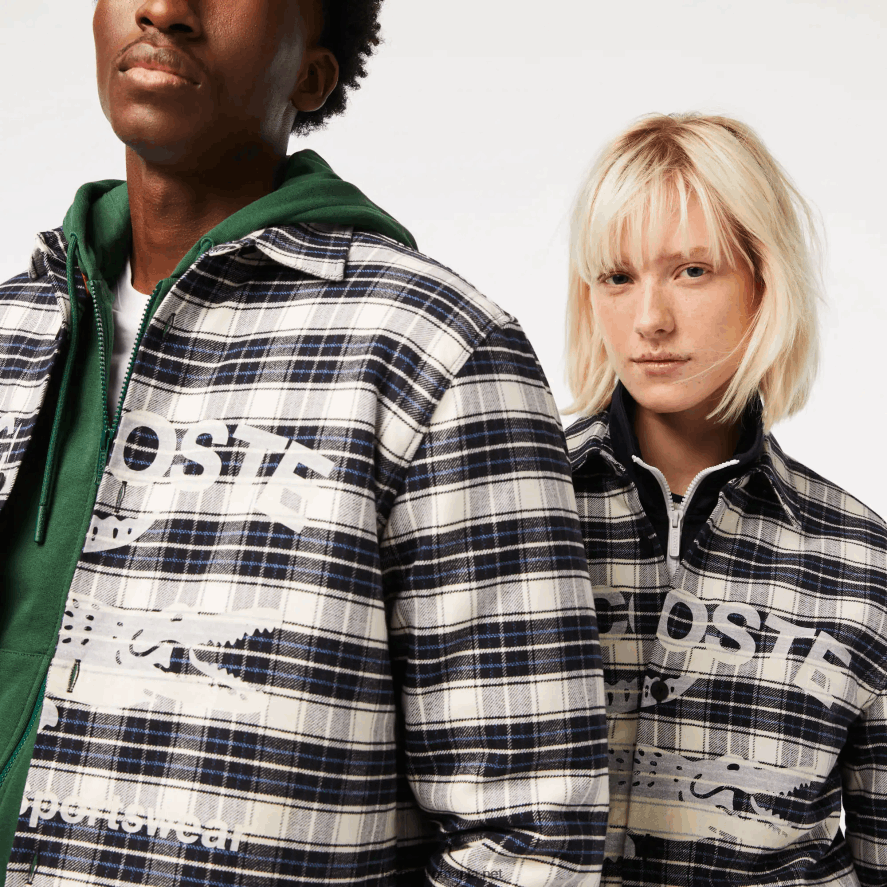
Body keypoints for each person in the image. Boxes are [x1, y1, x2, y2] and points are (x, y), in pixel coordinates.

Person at [0, 2, 609, 885]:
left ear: (312, 76)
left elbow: (528, 833)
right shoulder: (12, 328)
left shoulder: (431, 351)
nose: (164, 9)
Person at [563, 112, 887, 886]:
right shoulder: (511, 506)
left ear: (763, 281)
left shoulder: (861, 557)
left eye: (691, 270)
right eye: (617, 277)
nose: (649, 320)